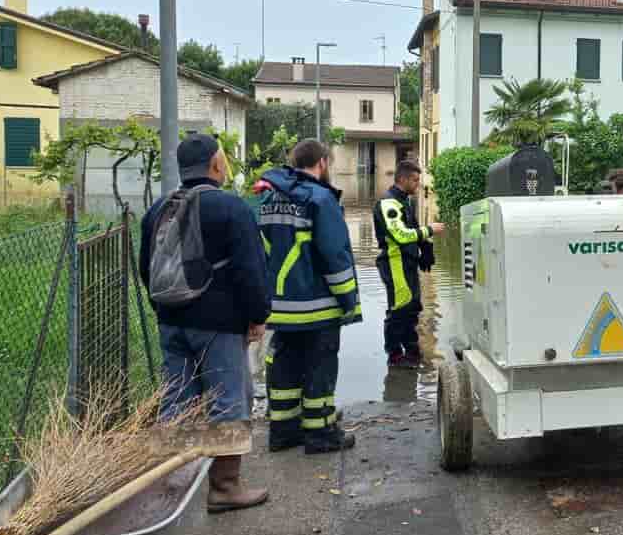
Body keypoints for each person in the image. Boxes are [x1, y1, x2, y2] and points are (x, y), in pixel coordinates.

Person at [140, 134, 271, 513]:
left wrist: (165, 311)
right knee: (229, 401)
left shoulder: (158, 209)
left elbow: (146, 268)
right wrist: (257, 316)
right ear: (216, 165)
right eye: (223, 159)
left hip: (171, 319)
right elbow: (251, 270)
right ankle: (225, 487)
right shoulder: (231, 207)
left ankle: (169, 489)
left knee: (177, 400)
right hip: (219, 324)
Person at [258, 139, 360, 454]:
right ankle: (320, 434)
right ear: (323, 163)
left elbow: (260, 254)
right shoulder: (320, 199)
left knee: (285, 365)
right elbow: (334, 255)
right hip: (317, 308)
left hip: (279, 309)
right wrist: (349, 302)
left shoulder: (266, 199)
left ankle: (284, 431)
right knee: (320, 366)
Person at [374, 160, 444, 368]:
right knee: (398, 310)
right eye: (414, 180)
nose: (417, 184)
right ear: (402, 179)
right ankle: (395, 354)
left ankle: (412, 351)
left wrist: (426, 249)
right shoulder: (388, 203)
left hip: (407, 263)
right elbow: (401, 235)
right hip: (394, 264)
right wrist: (430, 230)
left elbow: (413, 227)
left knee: (412, 307)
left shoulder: (405, 201)